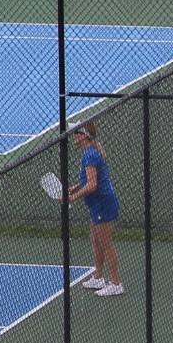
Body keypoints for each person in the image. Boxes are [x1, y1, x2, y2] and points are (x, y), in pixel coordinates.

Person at [66, 120, 123, 297]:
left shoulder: (90, 155)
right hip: (97, 204)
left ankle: (116, 283)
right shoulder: (89, 153)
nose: (73, 136)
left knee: (106, 244)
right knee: (96, 240)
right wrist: (75, 188)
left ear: (84, 136)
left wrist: (72, 198)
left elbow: (92, 185)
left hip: (103, 204)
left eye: (76, 132)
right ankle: (98, 277)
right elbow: (88, 180)